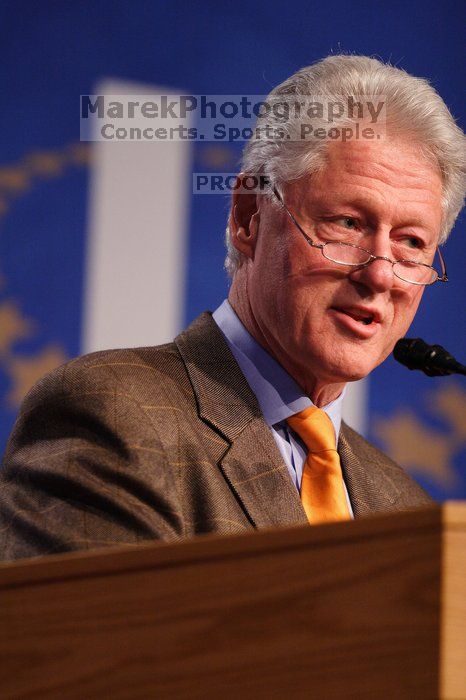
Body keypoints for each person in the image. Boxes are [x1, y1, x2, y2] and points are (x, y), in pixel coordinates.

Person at [0, 55, 464, 561]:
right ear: (249, 218)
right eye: (347, 224)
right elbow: (94, 639)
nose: (379, 274)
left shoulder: (403, 507)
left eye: (411, 243)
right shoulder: (116, 415)